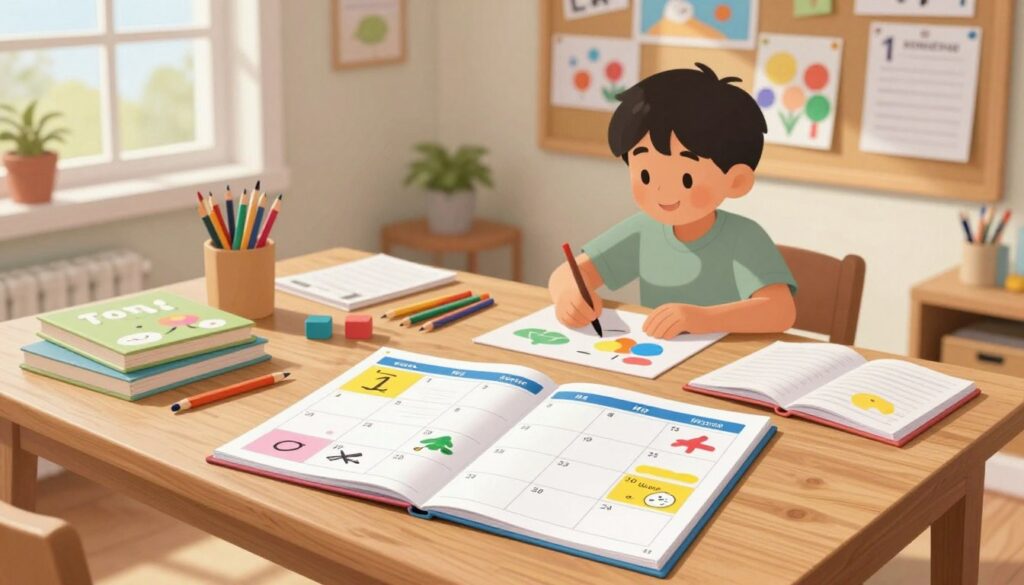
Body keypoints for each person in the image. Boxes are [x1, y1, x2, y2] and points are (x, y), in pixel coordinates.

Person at [549, 64, 797, 339]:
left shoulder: (745, 237)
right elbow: (568, 273)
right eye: (645, 174)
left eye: (686, 179)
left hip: (727, 364)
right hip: (661, 361)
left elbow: (781, 311)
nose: (662, 191)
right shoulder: (643, 229)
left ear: (736, 181)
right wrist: (568, 296)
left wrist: (700, 318)